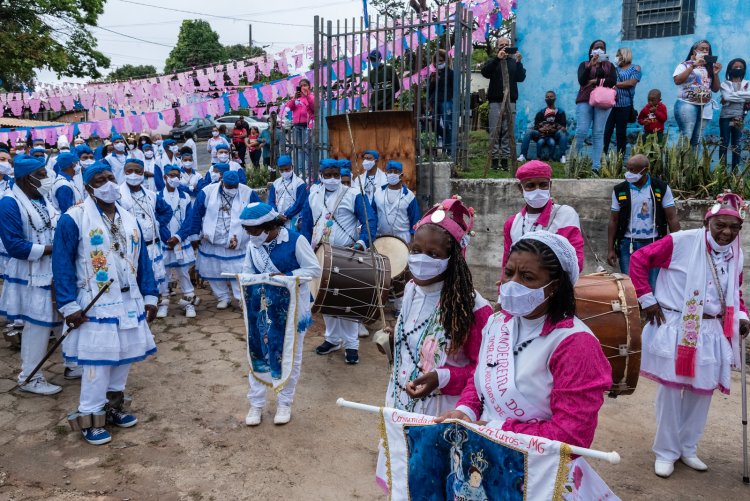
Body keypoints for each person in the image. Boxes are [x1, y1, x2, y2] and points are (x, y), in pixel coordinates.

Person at [437, 231, 612, 451]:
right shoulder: (497, 322)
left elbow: (571, 436)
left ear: (555, 286)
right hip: (483, 451)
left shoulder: (576, 344)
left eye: (527, 277)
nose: (512, 284)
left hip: (539, 470)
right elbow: (481, 376)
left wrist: (497, 430)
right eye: (509, 273)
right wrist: (466, 410)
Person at [374, 196, 493, 491]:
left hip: (441, 416)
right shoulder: (411, 290)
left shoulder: (474, 307)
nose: (421, 258)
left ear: (454, 258)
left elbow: (485, 375)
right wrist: (395, 338)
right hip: (400, 404)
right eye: (415, 250)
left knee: (433, 486)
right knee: (402, 482)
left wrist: (442, 377)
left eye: (433, 253)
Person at [629, 191, 749, 478]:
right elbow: (638, 260)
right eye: (720, 225)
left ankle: (688, 448)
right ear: (708, 221)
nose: (726, 232)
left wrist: (742, 316)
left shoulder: (737, 254)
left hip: (711, 330)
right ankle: (666, 451)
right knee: (671, 391)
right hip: (677, 325)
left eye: (734, 227)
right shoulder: (681, 241)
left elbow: (736, 292)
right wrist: (647, 299)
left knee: (702, 392)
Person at [52, 161, 158, 445]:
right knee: (98, 363)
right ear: (88, 187)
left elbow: (143, 260)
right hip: (94, 303)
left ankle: (113, 408)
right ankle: (90, 415)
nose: (108, 184)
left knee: (123, 358)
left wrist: (150, 296)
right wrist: (68, 305)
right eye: (100, 180)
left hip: (129, 299)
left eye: (111, 177)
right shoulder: (73, 218)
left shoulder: (128, 217)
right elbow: (61, 264)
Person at [240, 202, 322, 426]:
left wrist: (285, 275)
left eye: (254, 230)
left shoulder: (296, 240)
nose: (250, 235)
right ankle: (256, 404)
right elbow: (248, 272)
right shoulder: (252, 244)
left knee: (290, 356)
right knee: (259, 352)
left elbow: (314, 269)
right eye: (247, 230)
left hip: (293, 308)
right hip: (263, 308)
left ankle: (285, 402)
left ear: (269, 226)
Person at [0, 155, 72, 395]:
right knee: (37, 325)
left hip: (53, 269)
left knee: (64, 316)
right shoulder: (9, 203)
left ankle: (72, 363)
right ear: (24, 178)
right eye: (41, 175)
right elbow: (15, 247)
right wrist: (56, 248)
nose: (47, 178)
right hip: (31, 273)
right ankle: (29, 376)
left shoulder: (41, 197)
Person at [300, 158, 378, 365]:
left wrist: (363, 242)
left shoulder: (352, 194)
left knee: (346, 302)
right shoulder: (313, 194)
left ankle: (352, 345)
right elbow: (306, 222)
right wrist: (304, 248)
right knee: (324, 298)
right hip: (319, 253)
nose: (333, 178)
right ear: (320, 175)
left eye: (336, 175)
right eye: (328, 175)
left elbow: (369, 220)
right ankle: (332, 339)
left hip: (346, 254)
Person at [172, 168, 261, 309]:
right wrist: (191, 236)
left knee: (238, 271)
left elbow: (258, 211)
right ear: (222, 182)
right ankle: (223, 297)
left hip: (238, 242)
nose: (232, 189)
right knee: (214, 271)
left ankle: (241, 298)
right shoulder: (207, 192)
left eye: (235, 186)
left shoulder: (247, 192)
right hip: (212, 241)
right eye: (229, 186)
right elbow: (196, 215)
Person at [607, 154, 680, 291]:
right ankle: (634, 312)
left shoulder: (661, 188)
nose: (629, 173)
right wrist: (611, 249)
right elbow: (614, 220)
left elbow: (672, 218)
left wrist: (678, 245)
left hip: (654, 244)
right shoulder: (620, 190)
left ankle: (650, 313)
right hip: (628, 245)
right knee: (630, 287)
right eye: (628, 169)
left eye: (633, 170)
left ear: (645, 170)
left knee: (653, 286)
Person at [502, 161, 584, 273]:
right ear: (521, 189)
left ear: (550, 185)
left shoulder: (566, 215)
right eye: (530, 185)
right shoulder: (512, 223)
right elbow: (506, 265)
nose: (538, 190)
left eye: (543, 185)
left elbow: (576, 262)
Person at [118, 159, 172, 317]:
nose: (133, 175)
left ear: (143, 173)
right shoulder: (118, 196)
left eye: (137, 171)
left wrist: (157, 223)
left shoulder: (151, 195)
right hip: (132, 247)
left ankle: (158, 302)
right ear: (124, 172)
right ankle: (138, 308)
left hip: (153, 245)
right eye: (129, 171)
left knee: (157, 275)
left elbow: (166, 211)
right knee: (137, 277)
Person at [159, 165, 198, 318]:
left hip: (181, 241)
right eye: (171, 175)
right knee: (165, 274)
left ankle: (188, 303)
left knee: (184, 273)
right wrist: (167, 237)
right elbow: (157, 220)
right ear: (164, 177)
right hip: (165, 242)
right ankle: (164, 303)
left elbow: (189, 220)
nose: (174, 178)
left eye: (177, 175)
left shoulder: (186, 197)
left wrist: (178, 237)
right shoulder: (157, 197)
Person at [481, 37, 526, 171]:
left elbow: (521, 78)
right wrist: (497, 59)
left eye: (507, 45)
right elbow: (485, 73)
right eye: (502, 45)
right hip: (495, 101)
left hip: (510, 101)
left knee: (507, 130)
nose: (505, 47)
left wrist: (519, 63)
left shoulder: (513, 62)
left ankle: (505, 160)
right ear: (497, 47)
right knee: (495, 130)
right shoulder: (492, 62)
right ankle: (494, 160)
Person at [575, 40, 617, 173]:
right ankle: (573, 160)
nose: (599, 49)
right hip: (585, 99)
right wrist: (590, 66)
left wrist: (597, 81)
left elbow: (613, 81)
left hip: (602, 100)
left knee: (598, 133)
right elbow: (581, 80)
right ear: (591, 50)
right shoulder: (584, 64)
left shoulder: (609, 66)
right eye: (596, 47)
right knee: (581, 130)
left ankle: (596, 167)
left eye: (602, 48)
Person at [673, 40, 722, 147]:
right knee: (687, 135)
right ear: (695, 51)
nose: (705, 51)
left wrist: (715, 74)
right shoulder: (684, 65)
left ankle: (693, 163)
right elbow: (677, 80)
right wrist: (693, 66)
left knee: (697, 138)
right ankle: (681, 163)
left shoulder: (709, 68)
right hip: (687, 104)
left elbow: (715, 89)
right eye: (702, 49)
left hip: (705, 106)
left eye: (707, 49)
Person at [603, 47, 642, 155]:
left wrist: (614, 84)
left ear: (625, 55)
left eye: (618, 54)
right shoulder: (614, 69)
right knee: (607, 131)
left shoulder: (635, 68)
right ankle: (602, 154)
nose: (617, 57)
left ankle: (620, 156)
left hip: (625, 105)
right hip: (610, 105)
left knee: (621, 132)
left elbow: (631, 83)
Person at [372, 161, 420, 244]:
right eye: (390, 171)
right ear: (386, 174)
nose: (392, 174)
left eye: (396, 171)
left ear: (401, 175)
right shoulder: (378, 193)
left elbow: (414, 220)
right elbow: (373, 215)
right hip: (380, 237)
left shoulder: (409, 196)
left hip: (403, 239)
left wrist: (412, 242)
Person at [518, 91, 568, 163]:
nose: (549, 98)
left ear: (555, 98)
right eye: (547, 97)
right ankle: (523, 155)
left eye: (551, 97)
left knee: (563, 132)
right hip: (541, 135)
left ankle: (562, 156)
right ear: (545, 99)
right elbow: (536, 126)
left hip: (554, 136)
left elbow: (563, 127)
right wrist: (542, 129)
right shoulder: (541, 112)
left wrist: (553, 129)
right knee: (528, 132)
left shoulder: (560, 112)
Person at [719, 58, 750, 171]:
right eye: (735, 67)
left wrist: (734, 95)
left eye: (740, 67)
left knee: (736, 144)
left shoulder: (747, 83)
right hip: (725, 118)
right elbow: (726, 97)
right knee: (724, 143)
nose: (738, 69)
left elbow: (749, 96)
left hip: (739, 117)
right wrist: (743, 96)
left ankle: (735, 172)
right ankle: (721, 171)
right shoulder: (725, 84)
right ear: (730, 69)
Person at [427, 50, 455, 155]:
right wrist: (434, 80)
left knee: (448, 125)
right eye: (436, 61)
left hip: (447, 101)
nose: (439, 62)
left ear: (446, 61)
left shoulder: (451, 73)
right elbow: (429, 90)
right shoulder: (433, 74)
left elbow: (455, 89)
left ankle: (448, 151)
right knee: (434, 123)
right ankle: (444, 141)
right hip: (434, 102)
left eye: (441, 60)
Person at [267, 155, 307, 229]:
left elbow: (299, 203)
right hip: (278, 219)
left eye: (287, 169)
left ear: (292, 167)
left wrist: (286, 215)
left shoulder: (299, 183)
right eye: (281, 170)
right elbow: (271, 201)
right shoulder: (276, 183)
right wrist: (276, 215)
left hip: (293, 218)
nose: (284, 172)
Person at [288, 79, 314, 177]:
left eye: (305, 85)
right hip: (297, 125)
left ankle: (309, 171)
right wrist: (294, 99)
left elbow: (314, 108)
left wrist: (307, 97)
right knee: (298, 149)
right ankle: (300, 171)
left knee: (307, 149)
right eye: (301, 85)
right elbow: (290, 107)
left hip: (307, 126)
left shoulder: (311, 97)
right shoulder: (297, 98)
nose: (303, 87)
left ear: (309, 87)